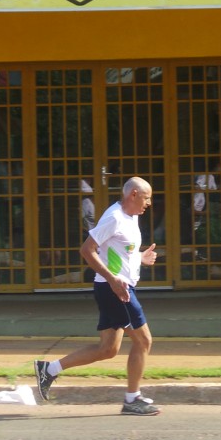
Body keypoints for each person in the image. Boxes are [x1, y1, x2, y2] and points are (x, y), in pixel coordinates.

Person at [34, 177, 161, 416]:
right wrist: (113, 280)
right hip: (115, 290)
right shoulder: (113, 217)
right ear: (133, 194)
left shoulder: (130, 217)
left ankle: (48, 370)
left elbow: (116, 251)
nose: (149, 203)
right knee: (144, 341)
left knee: (108, 349)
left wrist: (140, 258)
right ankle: (132, 399)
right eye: (146, 197)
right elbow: (87, 250)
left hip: (115, 288)